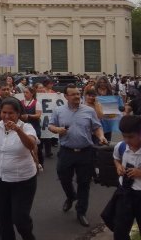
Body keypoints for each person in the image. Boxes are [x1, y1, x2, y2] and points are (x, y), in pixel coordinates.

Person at [0, 97, 38, 240]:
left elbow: (31, 145)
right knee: (3, 219)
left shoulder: (26, 127)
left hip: (23, 180)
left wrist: (18, 130)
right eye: (4, 112)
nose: (7, 116)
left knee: (20, 218)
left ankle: (29, 236)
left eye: (11, 113)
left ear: (18, 114)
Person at [48, 84, 108, 227]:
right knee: (63, 177)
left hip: (85, 152)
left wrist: (101, 137)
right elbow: (50, 125)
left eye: (78, 93)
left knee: (84, 183)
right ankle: (70, 196)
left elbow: (97, 127)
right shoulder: (58, 111)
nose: (76, 96)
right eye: (73, 94)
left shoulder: (88, 111)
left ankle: (81, 212)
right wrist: (57, 129)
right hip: (66, 152)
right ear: (66, 96)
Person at [20, 86, 43, 167]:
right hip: (24, 127)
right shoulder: (21, 102)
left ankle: (39, 163)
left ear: (32, 94)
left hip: (34, 126)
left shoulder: (36, 103)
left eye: (27, 92)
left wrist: (28, 116)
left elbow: (38, 115)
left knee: (36, 147)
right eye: (24, 92)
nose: (25, 94)